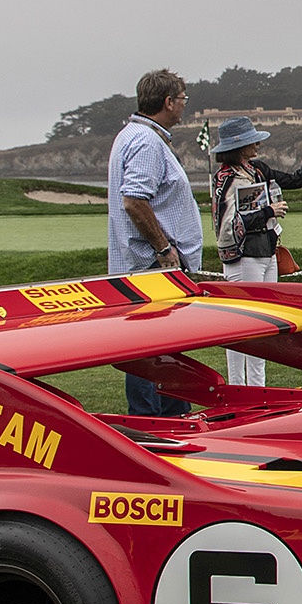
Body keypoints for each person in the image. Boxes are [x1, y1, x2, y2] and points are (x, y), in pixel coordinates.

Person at [211, 117, 302, 387]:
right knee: (241, 329)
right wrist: (267, 212)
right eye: (253, 140)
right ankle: (238, 387)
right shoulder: (226, 179)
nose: (259, 143)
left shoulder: (257, 170)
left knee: (263, 328)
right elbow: (226, 226)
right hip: (244, 258)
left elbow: (295, 180)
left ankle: (258, 388)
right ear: (240, 146)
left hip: (267, 254)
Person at [107, 69, 201, 417]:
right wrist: (164, 249)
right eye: (182, 100)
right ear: (168, 102)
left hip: (145, 266)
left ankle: (171, 416)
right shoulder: (146, 141)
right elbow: (134, 199)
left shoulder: (132, 135)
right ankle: (153, 422)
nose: (184, 107)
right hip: (152, 267)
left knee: (162, 347)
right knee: (152, 348)